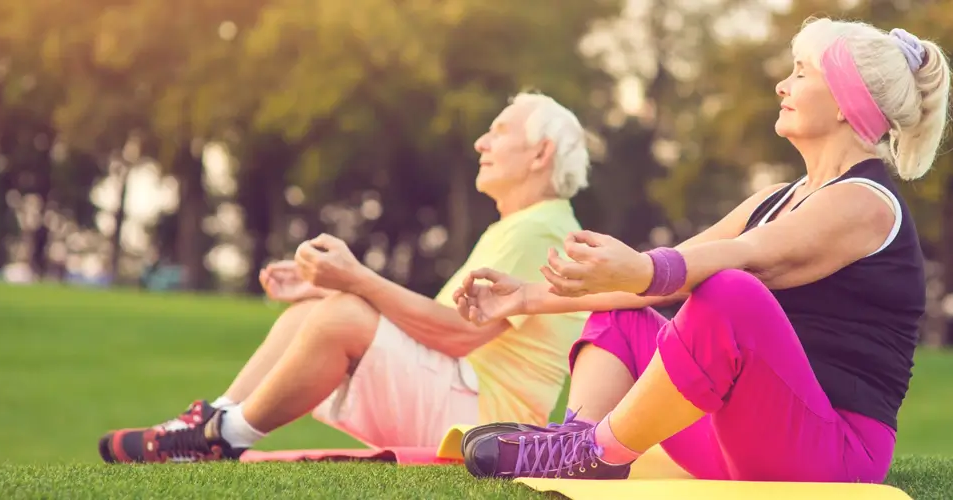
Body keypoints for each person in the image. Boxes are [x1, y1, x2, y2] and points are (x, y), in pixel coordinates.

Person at [453, 18, 951, 483]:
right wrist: (525, 298)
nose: (782, 86)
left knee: (729, 291)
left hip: (833, 454)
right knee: (623, 311)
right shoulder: (776, 197)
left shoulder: (866, 203)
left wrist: (639, 268)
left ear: (847, 101)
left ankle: (594, 451)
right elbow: (664, 276)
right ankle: (576, 447)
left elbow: (752, 256)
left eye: (801, 73)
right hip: (739, 433)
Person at [98, 92, 594, 463]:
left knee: (340, 314)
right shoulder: (527, 225)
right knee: (324, 309)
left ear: (539, 154)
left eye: (501, 131)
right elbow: (432, 324)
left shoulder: (540, 230)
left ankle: (226, 435)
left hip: (488, 426)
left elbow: (456, 333)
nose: (481, 142)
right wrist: (328, 284)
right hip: (466, 401)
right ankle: (213, 420)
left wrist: (353, 280)